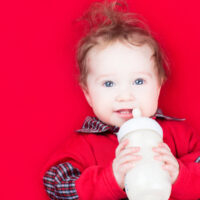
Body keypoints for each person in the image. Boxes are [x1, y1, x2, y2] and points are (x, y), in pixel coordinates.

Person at [42, 0, 200, 199]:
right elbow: (55, 184)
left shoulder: (179, 135)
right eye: (109, 84)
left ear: (158, 87)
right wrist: (111, 178)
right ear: (88, 94)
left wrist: (179, 174)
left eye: (139, 81)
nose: (125, 96)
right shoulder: (85, 145)